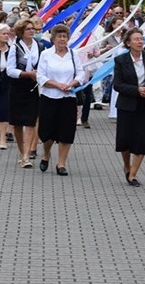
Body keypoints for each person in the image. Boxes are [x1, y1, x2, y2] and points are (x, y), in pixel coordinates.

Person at [113, 28, 145, 187]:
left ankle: (133, 174)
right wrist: (137, 90)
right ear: (128, 43)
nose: (140, 42)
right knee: (124, 139)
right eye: (136, 39)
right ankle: (126, 165)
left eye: (142, 39)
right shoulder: (121, 60)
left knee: (142, 139)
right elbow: (117, 85)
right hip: (127, 104)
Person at [36, 23, 85, 175]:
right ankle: (46, 154)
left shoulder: (73, 54)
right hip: (50, 96)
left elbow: (81, 73)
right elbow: (40, 76)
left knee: (66, 131)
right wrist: (56, 84)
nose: (62, 39)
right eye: (59, 36)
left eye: (64, 36)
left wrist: (72, 83)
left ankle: (61, 163)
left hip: (68, 97)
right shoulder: (46, 54)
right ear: (53, 39)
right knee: (47, 131)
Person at [6, 18, 42, 168]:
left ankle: (26, 155)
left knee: (31, 122)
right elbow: (10, 70)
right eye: (28, 29)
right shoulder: (14, 48)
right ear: (21, 32)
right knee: (18, 123)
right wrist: (26, 74)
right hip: (18, 88)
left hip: (33, 89)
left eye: (33, 28)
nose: (32, 31)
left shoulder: (39, 46)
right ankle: (22, 152)